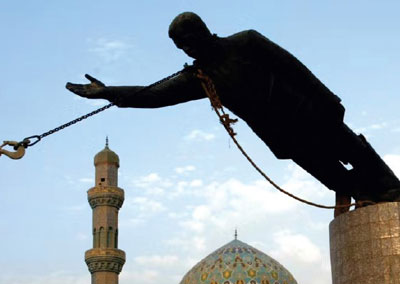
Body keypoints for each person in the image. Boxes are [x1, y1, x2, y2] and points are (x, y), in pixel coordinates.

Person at [66, 12, 400, 206]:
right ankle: (364, 199)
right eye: (179, 46)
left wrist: (330, 100)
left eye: (186, 40)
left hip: (311, 113)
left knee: (357, 153)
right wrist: (106, 92)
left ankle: (390, 192)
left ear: (200, 31)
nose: (184, 48)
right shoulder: (200, 77)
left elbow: (293, 68)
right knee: (336, 178)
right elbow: (152, 95)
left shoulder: (246, 43)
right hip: (285, 136)